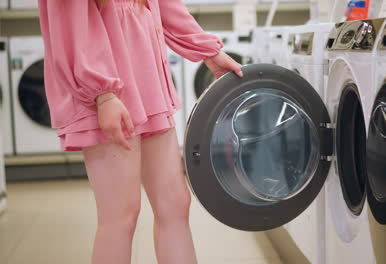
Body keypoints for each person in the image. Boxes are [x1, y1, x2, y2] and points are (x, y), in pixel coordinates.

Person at [37, 0, 243, 263]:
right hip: (106, 84)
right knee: (120, 215)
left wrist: (207, 50)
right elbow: (69, 23)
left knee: (175, 204)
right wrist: (103, 94)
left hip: (147, 74)